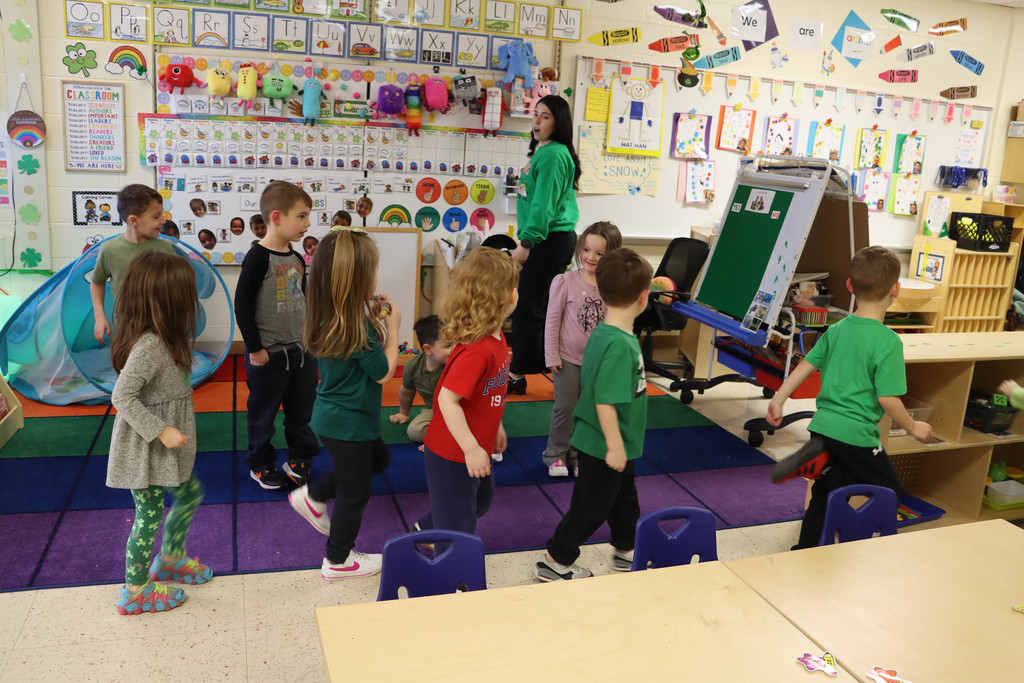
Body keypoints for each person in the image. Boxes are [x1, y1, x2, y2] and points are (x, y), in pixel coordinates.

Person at [766, 246, 933, 550]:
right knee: (889, 491)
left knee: (825, 495)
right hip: (856, 435)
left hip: (824, 427)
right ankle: (865, 548)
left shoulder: (836, 330)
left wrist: (779, 400)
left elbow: (805, 365)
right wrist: (912, 427)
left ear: (849, 286)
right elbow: (888, 399)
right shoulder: (888, 342)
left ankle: (805, 549)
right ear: (896, 289)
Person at [288, 228, 401, 579]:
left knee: (379, 459)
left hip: (339, 417)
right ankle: (337, 561)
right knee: (356, 493)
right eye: (373, 270)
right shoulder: (357, 328)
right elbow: (383, 373)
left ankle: (314, 494)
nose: (377, 275)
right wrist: (394, 329)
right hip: (348, 423)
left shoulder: (334, 315)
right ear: (357, 279)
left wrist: (373, 315)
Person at [534, 248, 652, 581]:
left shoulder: (606, 332)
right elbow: (604, 401)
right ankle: (555, 560)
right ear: (644, 298)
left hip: (615, 441)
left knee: (624, 500)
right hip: (604, 443)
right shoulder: (619, 345)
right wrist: (614, 446)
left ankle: (626, 550)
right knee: (591, 508)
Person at [107, 251, 212, 614]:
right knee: (148, 515)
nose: (192, 301)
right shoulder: (150, 345)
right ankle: (135, 589)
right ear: (168, 301)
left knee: (189, 494)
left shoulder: (168, 337)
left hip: (167, 445)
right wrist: (161, 430)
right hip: (147, 449)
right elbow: (121, 396)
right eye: (187, 294)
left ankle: (170, 559)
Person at [412, 247, 520, 538]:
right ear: (509, 296)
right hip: (452, 452)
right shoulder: (477, 350)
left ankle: (428, 528)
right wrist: (471, 449)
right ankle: (447, 559)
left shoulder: (496, 337)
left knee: (481, 501)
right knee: (458, 528)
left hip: (476, 444)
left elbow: (488, 392)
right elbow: (447, 399)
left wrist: (496, 424)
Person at [235, 181, 320, 490]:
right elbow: (242, 305)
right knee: (263, 415)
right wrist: (255, 348)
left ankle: (300, 458)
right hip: (268, 355)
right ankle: (260, 464)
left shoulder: (296, 258)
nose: (307, 224)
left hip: (301, 352)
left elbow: (303, 300)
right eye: (301, 216)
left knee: (301, 412)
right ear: (277, 217)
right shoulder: (258, 257)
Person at [509, 94, 581, 395]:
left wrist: (527, 242)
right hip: (544, 239)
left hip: (547, 240)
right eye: (535, 114)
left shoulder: (553, 154)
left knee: (530, 308)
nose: (536, 121)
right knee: (534, 306)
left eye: (545, 116)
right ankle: (525, 369)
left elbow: (543, 205)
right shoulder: (545, 151)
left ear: (558, 122)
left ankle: (518, 374)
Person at [542, 221, 622, 478]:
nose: (591, 257)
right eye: (586, 249)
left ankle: (578, 454)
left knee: (588, 410)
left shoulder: (613, 286)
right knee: (565, 407)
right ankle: (555, 454)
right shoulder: (564, 281)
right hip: (566, 359)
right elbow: (552, 321)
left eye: (600, 253)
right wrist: (551, 355)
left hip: (598, 361)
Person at [91, 184, 177, 344]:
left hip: (162, 326)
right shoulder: (109, 250)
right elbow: (97, 282)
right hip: (126, 327)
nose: (163, 221)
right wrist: (99, 317)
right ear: (134, 220)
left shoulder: (165, 248)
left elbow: (175, 286)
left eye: (162, 215)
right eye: (156, 216)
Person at [389, 315, 455, 443]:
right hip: (435, 411)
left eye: (455, 343)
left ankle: (449, 439)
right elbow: (406, 392)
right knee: (415, 431)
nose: (454, 349)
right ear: (428, 349)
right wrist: (404, 413)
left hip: (461, 410)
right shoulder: (413, 367)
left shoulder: (456, 365)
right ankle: (446, 437)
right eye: (448, 345)